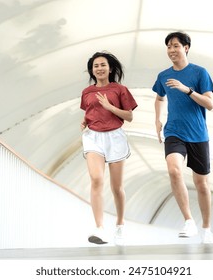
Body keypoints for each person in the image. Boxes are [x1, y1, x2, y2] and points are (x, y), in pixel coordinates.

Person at [152, 31, 213, 243]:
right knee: (173, 170)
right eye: (169, 46)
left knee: (202, 184)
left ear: (186, 48)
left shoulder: (200, 73)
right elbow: (159, 98)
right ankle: (189, 221)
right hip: (174, 131)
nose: (171, 50)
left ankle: (206, 228)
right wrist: (158, 119)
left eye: (176, 46)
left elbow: (210, 104)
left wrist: (187, 90)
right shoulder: (163, 76)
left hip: (197, 133)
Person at [80, 51, 138, 245]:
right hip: (93, 137)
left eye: (103, 65)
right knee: (96, 179)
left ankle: (120, 225)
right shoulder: (86, 92)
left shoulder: (119, 89)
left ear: (110, 68)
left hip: (115, 137)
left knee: (116, 187)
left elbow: (129, 116)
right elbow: (89, 112)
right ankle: (99, 228)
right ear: (92, 70)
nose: (99, 68)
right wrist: (84, 122)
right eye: (96, 66)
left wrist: (110, 107)